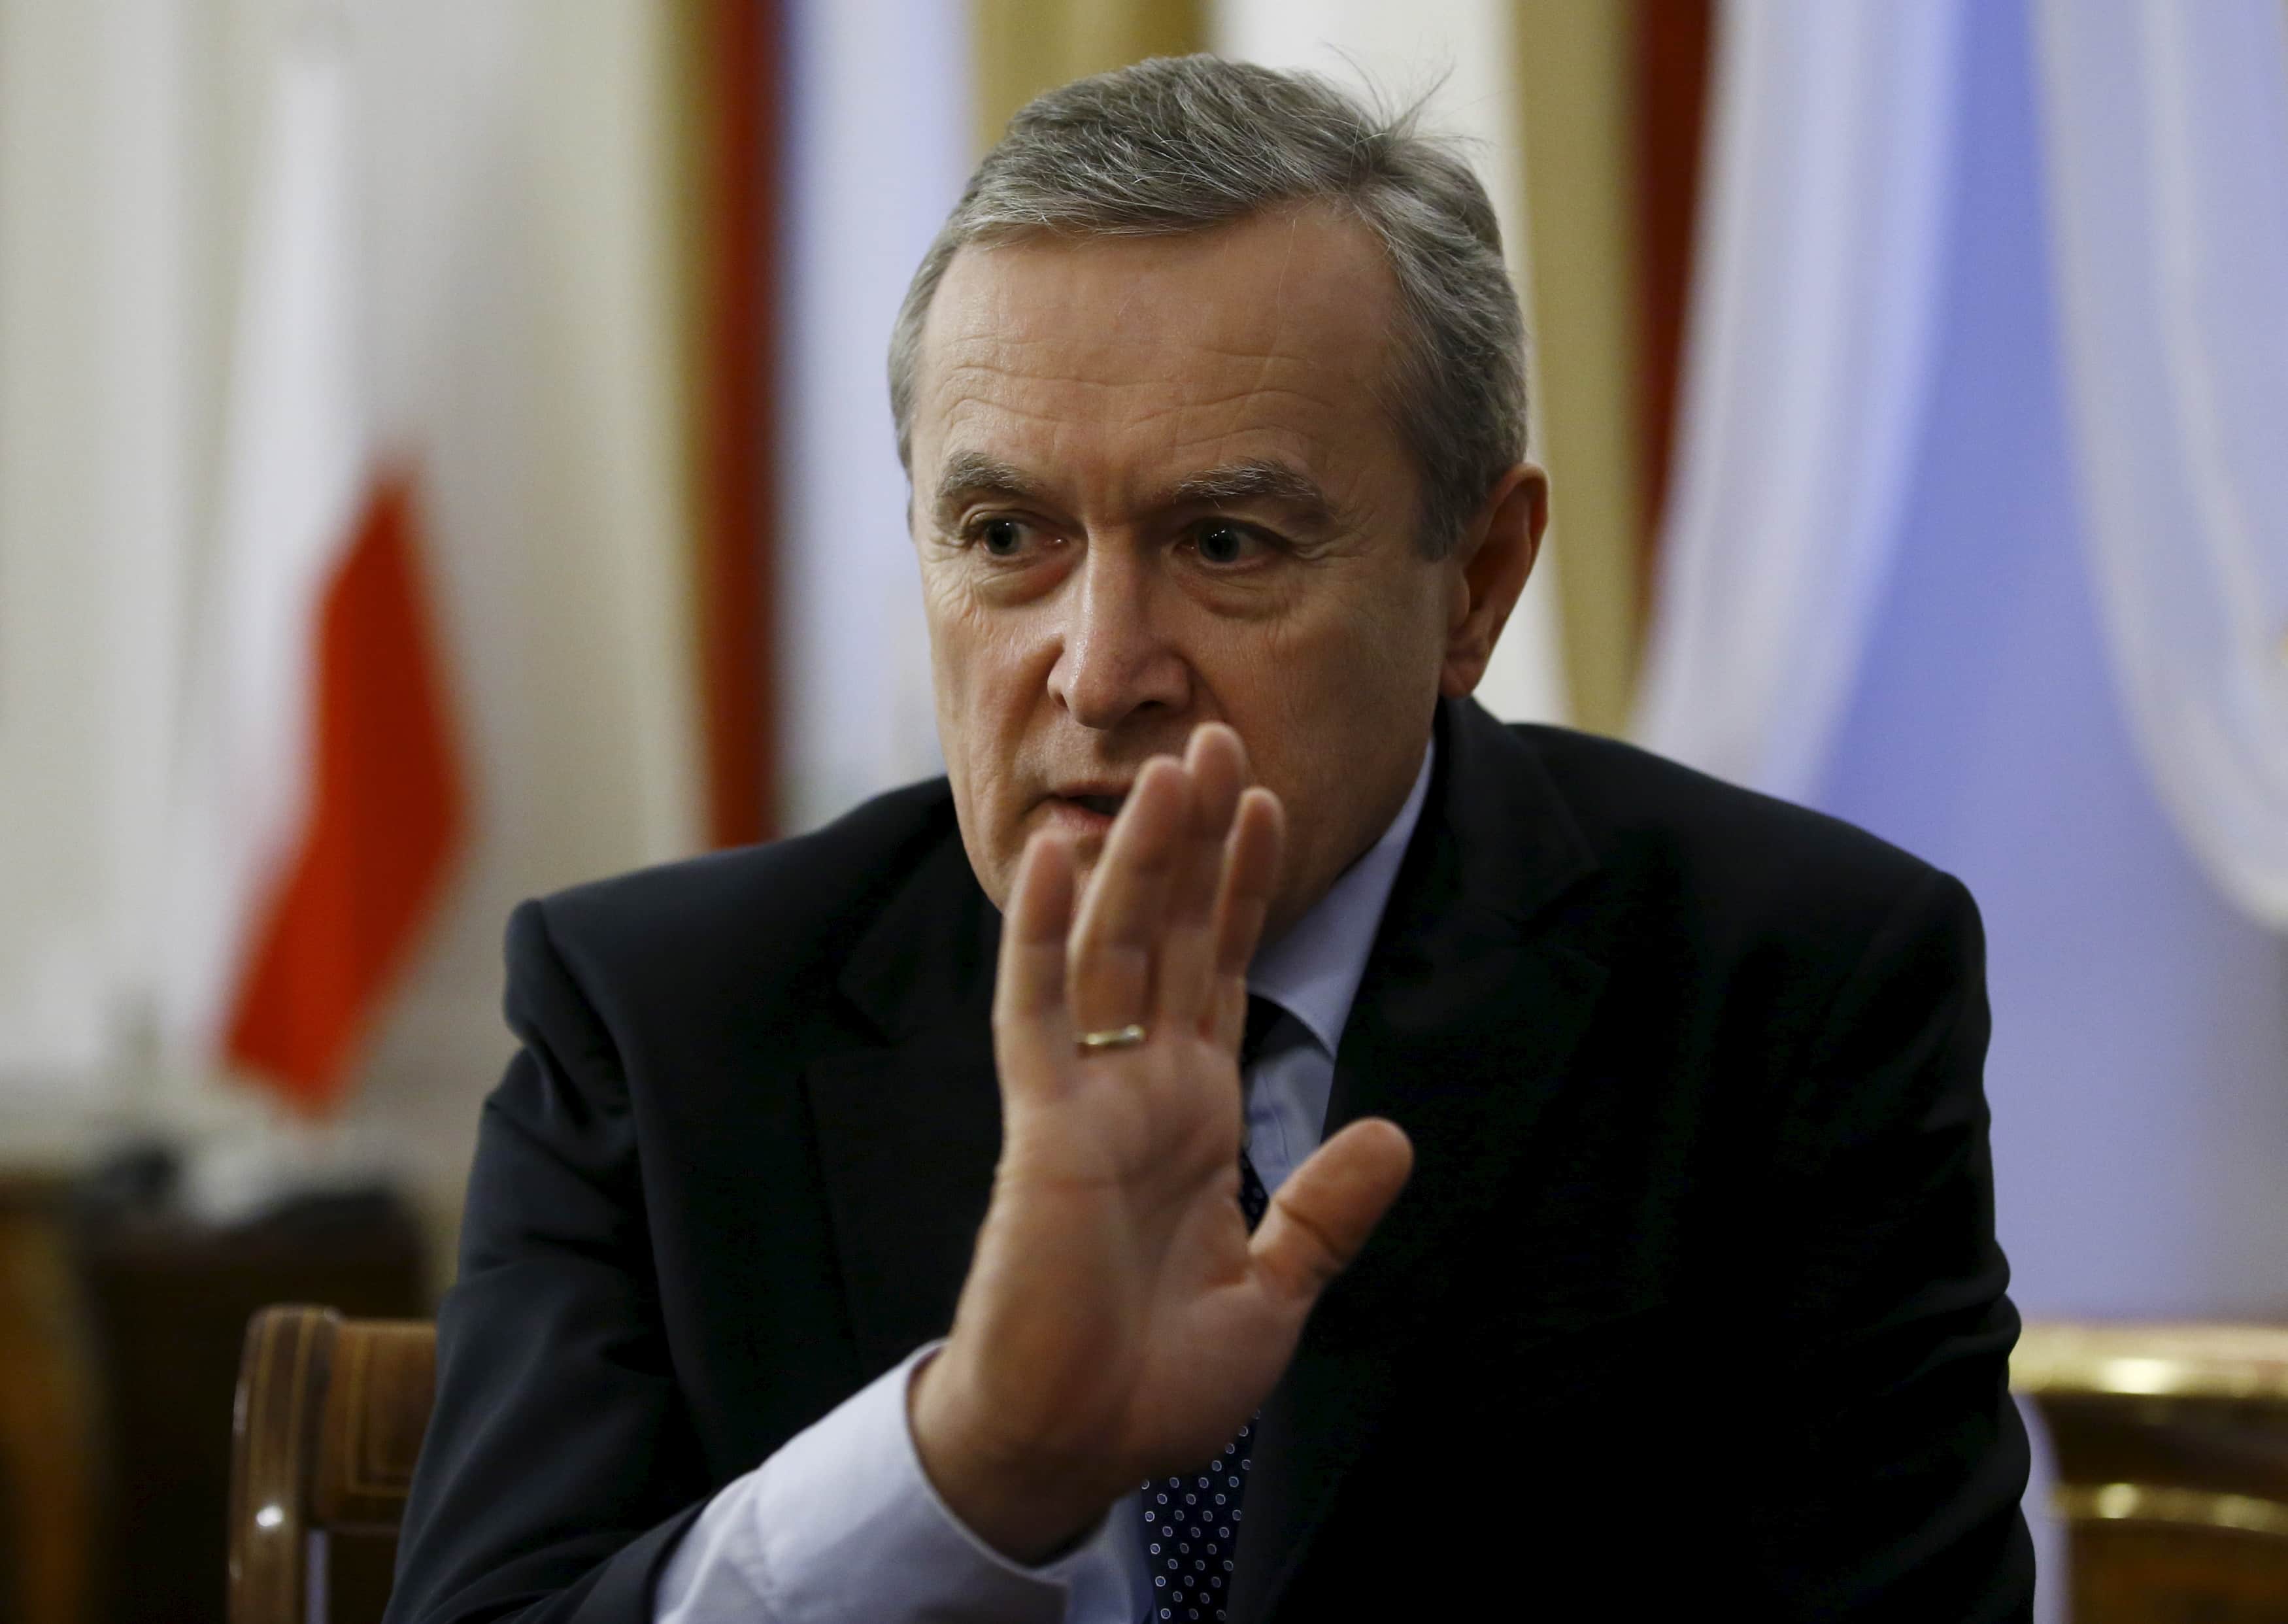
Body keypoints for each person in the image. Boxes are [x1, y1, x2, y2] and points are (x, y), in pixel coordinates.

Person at [386, 56, 2033, 1624]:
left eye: (1225, 541)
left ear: (1474, 581)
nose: (1098, 670)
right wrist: (965, 1462)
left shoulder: (1789, 985)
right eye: (1006, 536)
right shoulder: (665, 1019)